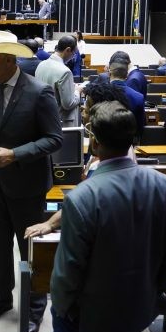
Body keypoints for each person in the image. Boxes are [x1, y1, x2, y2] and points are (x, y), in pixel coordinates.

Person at [51, 101, 166, 332]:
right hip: (138, 309)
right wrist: (152, 293)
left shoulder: (81, 198)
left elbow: (67, 275)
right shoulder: (165, 185)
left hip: (88, 318)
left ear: (94, 142)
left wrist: (62, 310)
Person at [0, 30, 62, 332]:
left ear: (8, 59)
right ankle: (3, 298)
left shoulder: (39, 91)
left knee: (28, 248)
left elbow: (54, 139)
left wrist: (15, 154)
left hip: (28, 186)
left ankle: (33, 306)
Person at [24, 82, 131, 237]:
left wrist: (50, 223)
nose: (83, 110)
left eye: (87, 108)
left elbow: (84, 200)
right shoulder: (109, 147)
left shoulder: (105, 163)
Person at [35, 35, 82, 127]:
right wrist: (77, 91)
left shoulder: (41, 65)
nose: (73, 57)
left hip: (43, 118)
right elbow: (68, 104)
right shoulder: (65, 71)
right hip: (61, 121)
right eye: (74, 53)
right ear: (68, 50)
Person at [108, 60, 146, 134]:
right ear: (127, 75)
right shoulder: (139, 97)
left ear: (109, 74)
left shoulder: (99, 93)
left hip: (106, 140)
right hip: (129, 140)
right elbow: (140, 126)